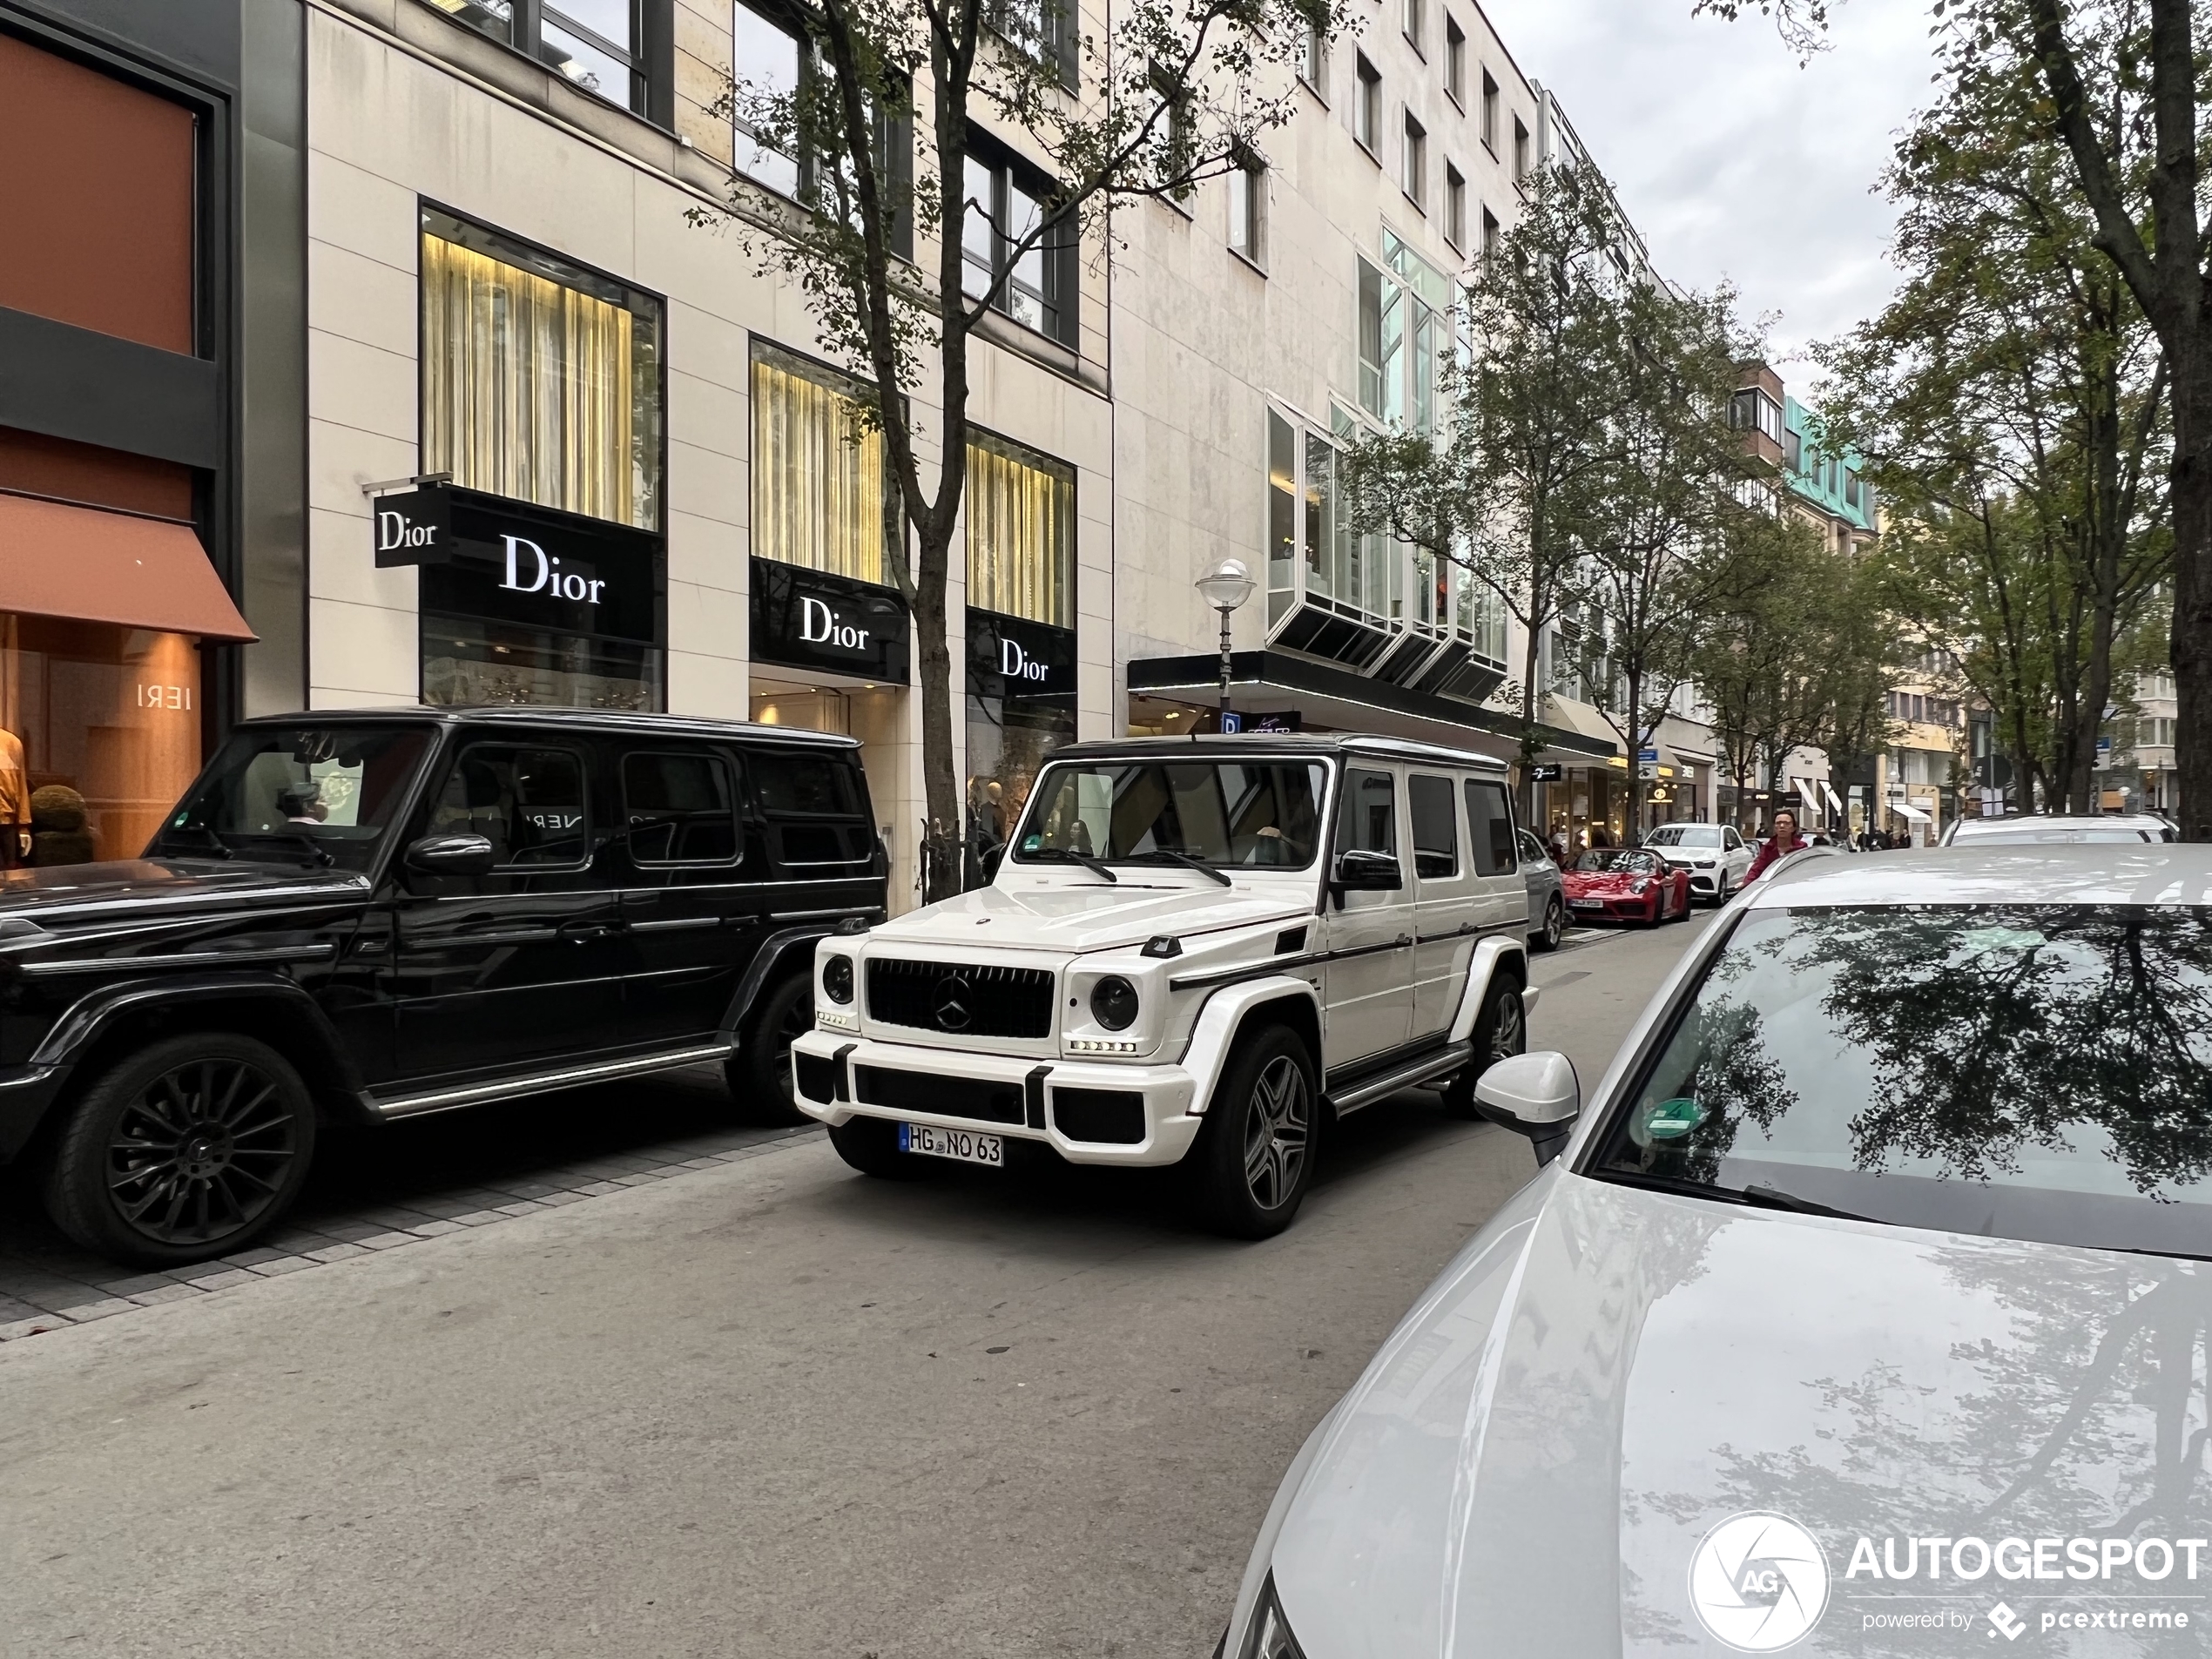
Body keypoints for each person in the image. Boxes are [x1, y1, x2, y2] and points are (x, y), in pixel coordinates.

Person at [1744, 807, 1810, 883]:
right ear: (1774, 828)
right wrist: (1745, 883)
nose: (1782, 826)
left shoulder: (1802, 848)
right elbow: (1757, 869)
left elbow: (1806, 870)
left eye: (1787, 823)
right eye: (1778, 823)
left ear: (1793, 828)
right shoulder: (1768, 848)